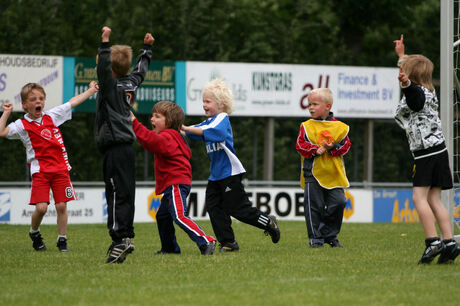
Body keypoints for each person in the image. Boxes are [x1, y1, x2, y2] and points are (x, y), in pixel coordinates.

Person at [182, 78, 280, 253]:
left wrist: (185, 128)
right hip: (216, 176)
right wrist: (179, 129)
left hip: (230, 173)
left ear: (221, 104)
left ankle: (268, 222)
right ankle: (228, 242)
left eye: (208, 101)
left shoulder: (222, 118)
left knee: (239, 209)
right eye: (203, 101)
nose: (204, 104)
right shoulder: (208, 122)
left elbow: (213, 132)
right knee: (214, 208)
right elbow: (194, 131)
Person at [0, 81, 98, 252]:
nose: (38, 102)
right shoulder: (21, 125)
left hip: (60, 169)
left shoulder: (51, 116)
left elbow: (72, 102)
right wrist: (6, 113)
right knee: (42, 208)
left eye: (41, 98)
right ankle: (34, 232)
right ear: (24, 105)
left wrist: (91, 90)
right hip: (40, 171)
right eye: (33, 99)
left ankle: (62, 240)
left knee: (61, 206)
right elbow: (1, 132)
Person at [393, 34, 459, 264]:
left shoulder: (418, 94)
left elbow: (413, 97)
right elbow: (414, 89)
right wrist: (402, 56)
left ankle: (432, 241)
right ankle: (449, 242)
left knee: (418, 198)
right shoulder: (431, 91)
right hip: (439, 151)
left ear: (411, 77)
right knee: (435, 200)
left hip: (426, 154)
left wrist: (405, 84)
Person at [95, 26, 154, 264]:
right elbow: (141, 70)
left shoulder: (109, 86)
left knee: (116, 193)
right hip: (127, 148)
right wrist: (147, 49)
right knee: (126, 193)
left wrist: (105, 42)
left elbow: (103, 69)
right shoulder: (131, 83)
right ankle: (126, 236)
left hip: (114, 147)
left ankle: (119, 240)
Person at [131, 101, 216, 255]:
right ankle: (170, 249)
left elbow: (151, 141)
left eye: (157, 116)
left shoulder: (168, 136)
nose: (152, 119)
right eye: (152, 116)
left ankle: (206, 240)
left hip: (175, 183)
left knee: (179, 215)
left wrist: (134, 122)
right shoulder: (173, 136)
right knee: (163, 216)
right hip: (175, 183)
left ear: (169, 121)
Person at [296, 88, 351, 248]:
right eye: (309, 104)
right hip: (312, 173)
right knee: (314, 207)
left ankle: (329, 234)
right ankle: (316, 238)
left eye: (315, 104)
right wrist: (315, 150)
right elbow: (300, 145)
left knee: (339, 202)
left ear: (327, 106)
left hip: (334, 174)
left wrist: (333, 146)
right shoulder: (306, 126)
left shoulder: (340, 127)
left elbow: (346, 146)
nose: (311, 107)